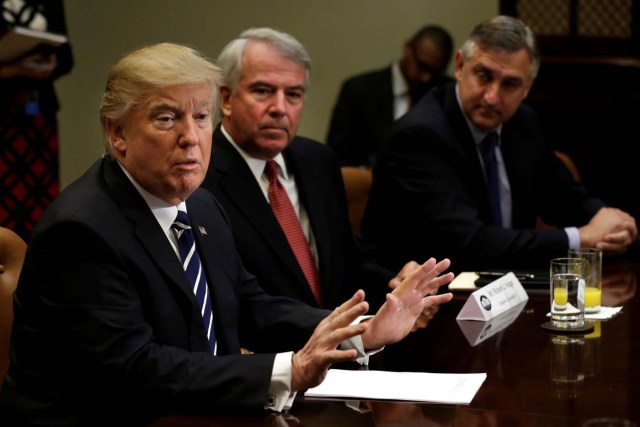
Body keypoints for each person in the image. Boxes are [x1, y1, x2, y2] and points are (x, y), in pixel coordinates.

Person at [0, 42, 454, 425]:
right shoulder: (81, 231)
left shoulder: (199, 202)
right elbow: (136, 369)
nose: (191, 137)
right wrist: (288, 370)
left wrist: (360, 332)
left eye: (200, 117)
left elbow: (249, 303)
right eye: (166, 119)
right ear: (117, 132)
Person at [357, 15, 638, 274]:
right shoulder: (419, 137)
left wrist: (608, 221)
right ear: (459, 66)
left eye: (510, 84)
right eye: (484, 75)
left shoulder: (522, 122)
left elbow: (562, 194)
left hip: (504, 290)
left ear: (527, 87)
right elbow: (471, 244)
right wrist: (583, 237)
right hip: (425, 300)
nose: (492, 97)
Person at [201, 27, 430, 313]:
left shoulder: (318, 161)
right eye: (262, 91)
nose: (280, 108)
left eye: (294, 94)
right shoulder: (198, 176)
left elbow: (344, 270)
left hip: (342, 345)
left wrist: (395, 284)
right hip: (266, 352)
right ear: (226, 99)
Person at [326, 24, 454, 169]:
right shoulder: (359, 91)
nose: (426, 78)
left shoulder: (446, 93)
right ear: (408, 48)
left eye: (435, 72)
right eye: (422, 66)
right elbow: (337, 158)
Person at [0, 0, 73, 242]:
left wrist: (49, 65)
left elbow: (66, 56)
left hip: (37, 115)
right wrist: (9, 70)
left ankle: (36, 270)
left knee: (40, 204)